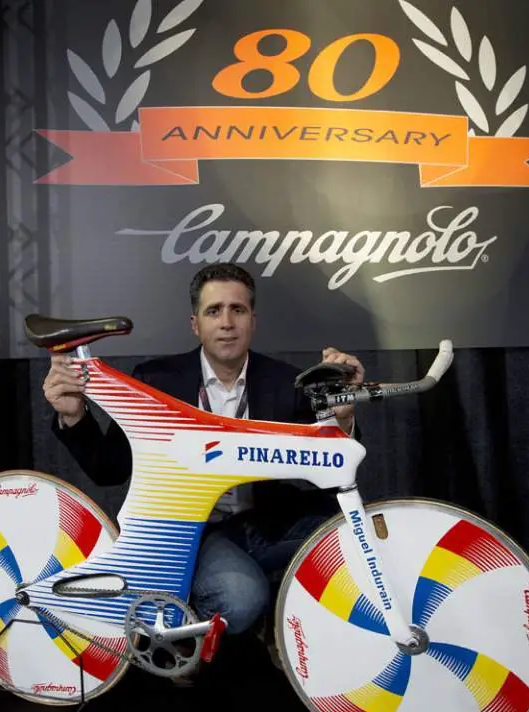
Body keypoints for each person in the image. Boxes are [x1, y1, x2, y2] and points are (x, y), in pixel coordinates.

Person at [42, 264, 365, 652]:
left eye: (237, 310)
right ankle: (178, 620)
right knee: (241, 599)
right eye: (214, 311)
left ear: (253, 320)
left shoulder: (288, 381)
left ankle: (279, 613)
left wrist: (341, 415)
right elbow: (110, 469)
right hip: (198, 532)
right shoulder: (157, 380)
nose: (226, 322)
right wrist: (73, 415)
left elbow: (330, 464)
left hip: (267, 522)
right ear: (195, 324)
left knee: (357, 539)